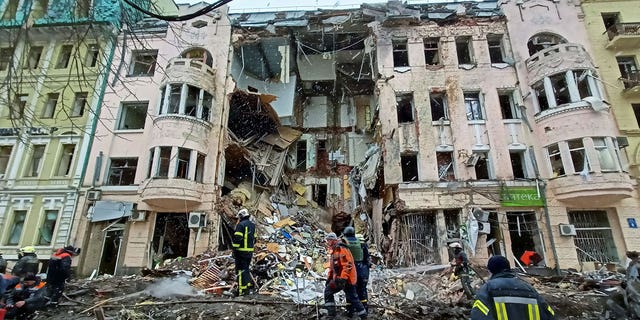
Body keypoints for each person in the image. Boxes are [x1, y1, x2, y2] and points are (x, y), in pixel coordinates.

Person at [471, 255, 555, 320]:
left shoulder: (488, 288)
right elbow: (549, 314)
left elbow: (478, 315)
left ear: (491, 271)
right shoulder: (529, 288)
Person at [323, 232, 367, 319]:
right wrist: (329, 279)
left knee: (353, 297)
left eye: (328, 240)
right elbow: (332, 268)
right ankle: (331, 314)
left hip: (348, 279)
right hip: (339, 279)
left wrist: (343, 278)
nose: (327, 242)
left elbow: (348, 265)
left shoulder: (341, 249)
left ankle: (363, 316)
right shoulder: (333, 251)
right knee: (328, 291)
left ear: (333, 240)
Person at [342, 227, 370, 314]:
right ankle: (364, 308)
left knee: (349, 289)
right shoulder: (361, 243)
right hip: (362, 270)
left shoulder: (344, 243)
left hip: (350, 270)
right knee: (362, 289)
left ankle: (350, 310)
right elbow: (367, 259)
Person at [232, 208, 255, 296]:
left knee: (240, 271)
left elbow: (238, 238)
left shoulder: (241, 225)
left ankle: (241, 290)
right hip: (249, 252)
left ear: (241, 216)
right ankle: (247, 288)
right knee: (246, 269)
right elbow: (254, 239)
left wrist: (234, 250)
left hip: (241, 252)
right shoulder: (252, 225)